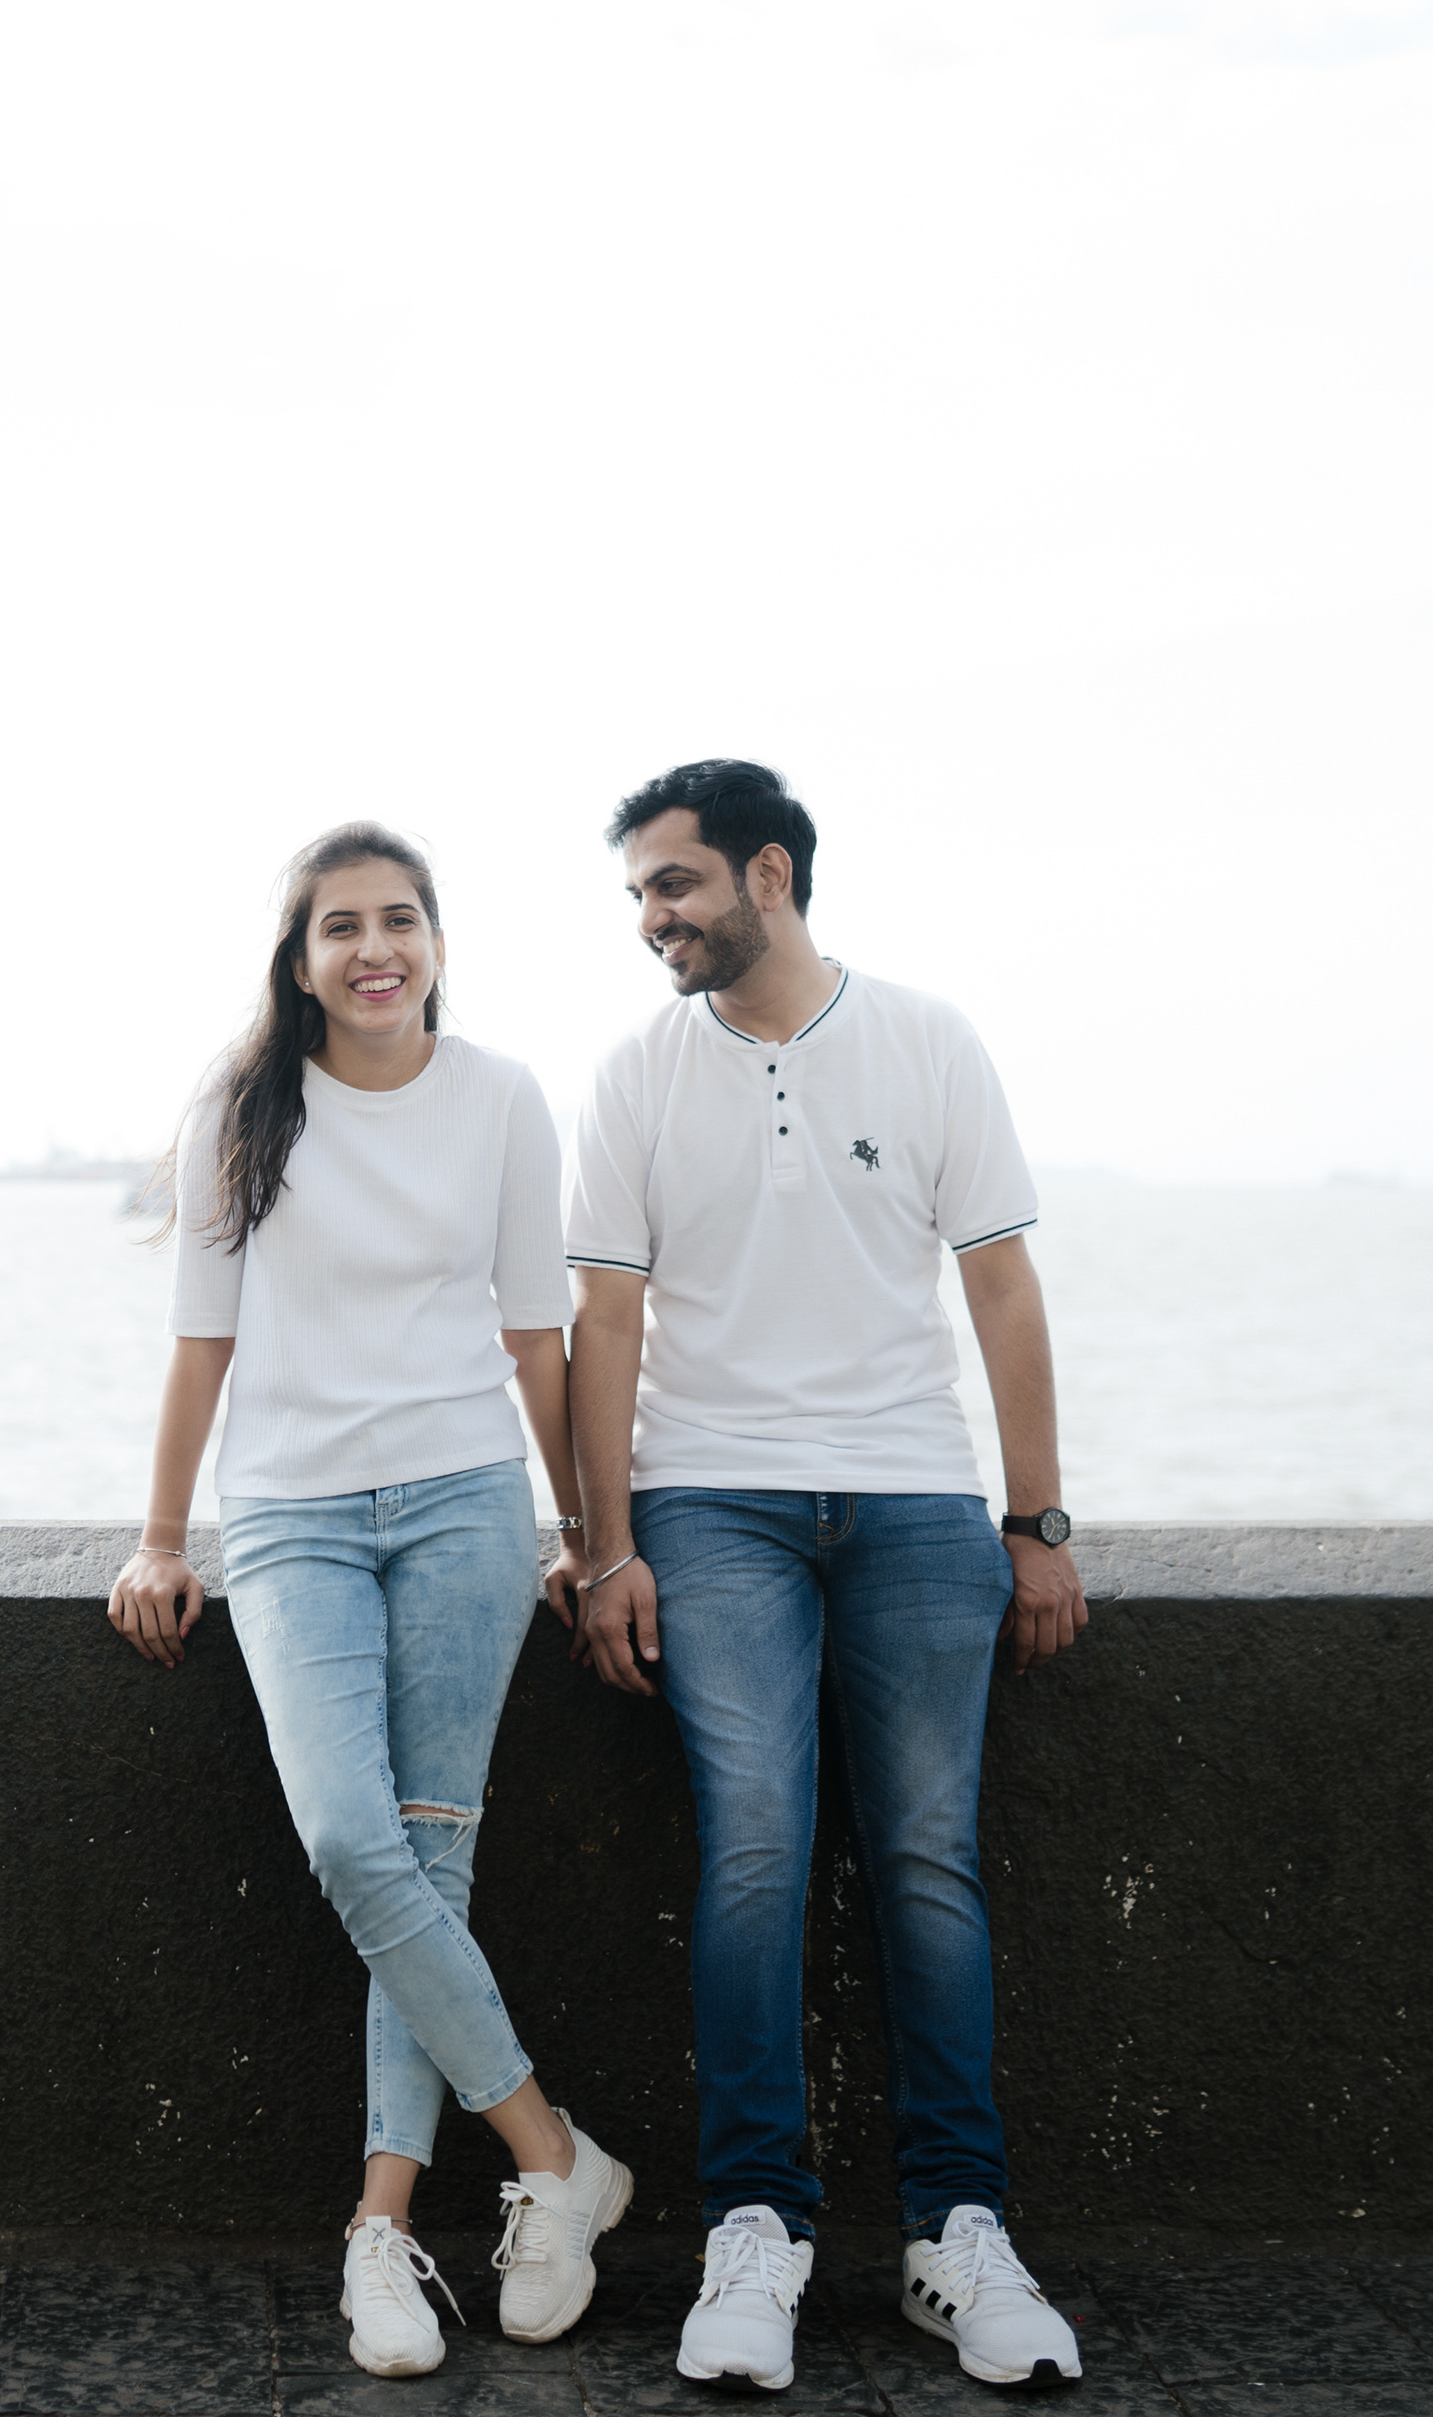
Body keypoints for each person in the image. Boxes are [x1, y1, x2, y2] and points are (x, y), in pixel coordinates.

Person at [551, 760, 1091, 2393]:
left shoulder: (927, 1040)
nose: (651, 919)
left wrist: (1038, 1524)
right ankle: (756, 2230)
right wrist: (605, 1545)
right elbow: (606, 1323)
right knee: (753, 1850)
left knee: (929, 1857)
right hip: (710, 1502)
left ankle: (958, 2233)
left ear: (769, 874)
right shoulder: (637, 1074)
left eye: (673, 884)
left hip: (916, 1497)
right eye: (639, 894)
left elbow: (1001, 1287)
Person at [108, 820, 636, 2381]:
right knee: (354, 1841)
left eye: (400, 919)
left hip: (466, 1507)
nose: (374, 948)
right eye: (340, 925)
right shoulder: (240, 1110)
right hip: (291, 1518)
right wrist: (161, 1538)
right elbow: (202, 1339)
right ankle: (553, 2154)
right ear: (299, 959)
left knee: (428, 1858)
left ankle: (381, 2227)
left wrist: (589, 1539)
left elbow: (536, 1337)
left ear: (437, 945)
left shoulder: (501, 1100)